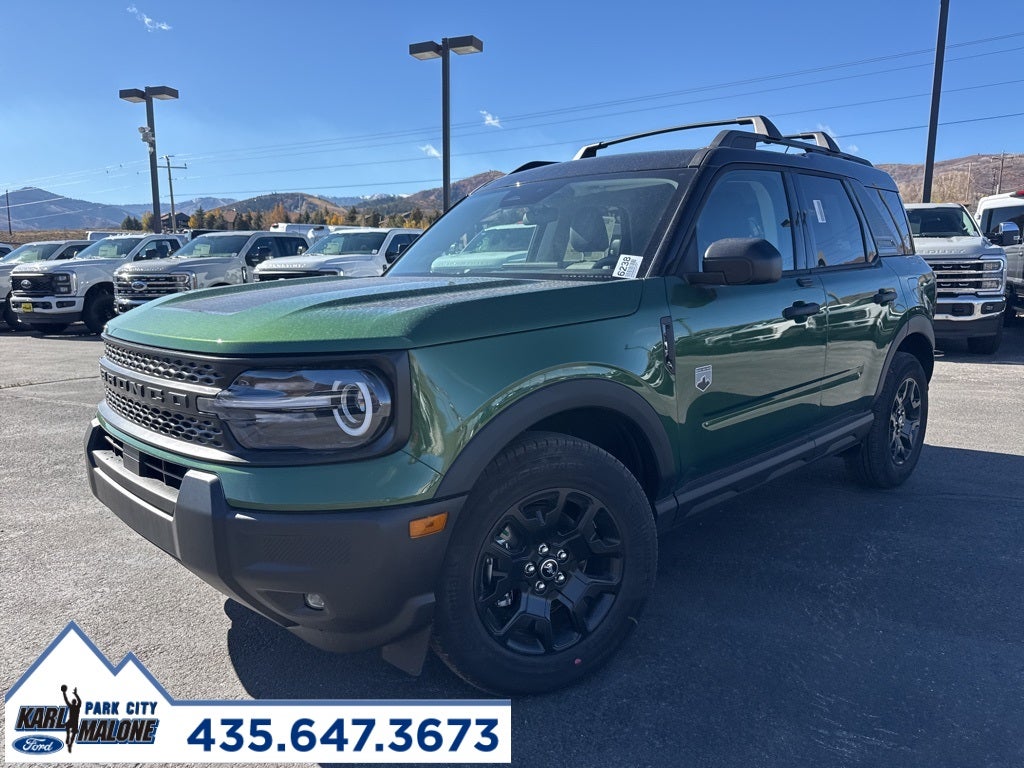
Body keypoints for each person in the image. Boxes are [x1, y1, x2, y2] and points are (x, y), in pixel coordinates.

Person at [61, 684, 81, 753]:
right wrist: (76, 694)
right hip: (74, 722)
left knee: (67, 727)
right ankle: (69, 742)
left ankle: (68, 737)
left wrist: (64, 693)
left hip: (72, 721)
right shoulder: (77, 706)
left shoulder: (72, 706)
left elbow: (66, 700)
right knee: (73, 733)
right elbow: (79, 701)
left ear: (73, 702)